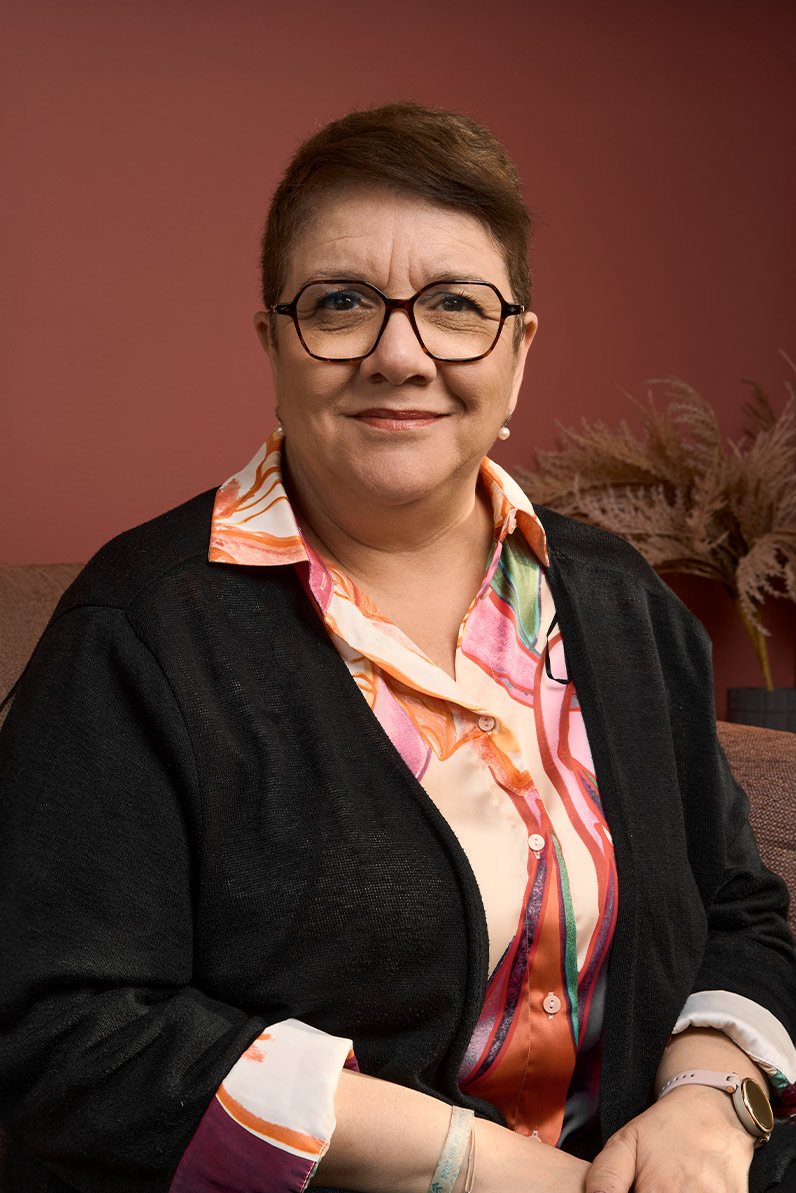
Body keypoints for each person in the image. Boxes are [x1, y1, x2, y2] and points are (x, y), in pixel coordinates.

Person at [0, 102, 794, 1193]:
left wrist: (709, 1102)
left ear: (518, 351)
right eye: (341, 302)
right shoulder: (138, 630)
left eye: (456, 305)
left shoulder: (619, 599)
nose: (399, 354)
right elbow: (57, 1030)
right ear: (272, 342)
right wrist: (469, 1160)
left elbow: (738, 907)